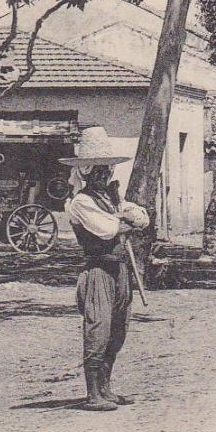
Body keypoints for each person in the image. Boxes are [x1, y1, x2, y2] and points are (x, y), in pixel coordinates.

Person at [60, 127, 151, 412]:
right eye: (96, 170)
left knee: (118, 330)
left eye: (106, 170)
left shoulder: (112, 199)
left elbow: (143, 218)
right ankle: (92, 393)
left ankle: (106, 387)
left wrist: (126, 216)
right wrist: (125, 221)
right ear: (85, 172)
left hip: (120, 269)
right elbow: (106, 230)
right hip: (98, 271)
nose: (103, 175)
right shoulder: (81, 202)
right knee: (98, 330)